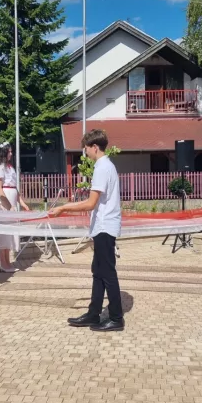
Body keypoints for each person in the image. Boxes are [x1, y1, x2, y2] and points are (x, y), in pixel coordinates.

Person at [49, 129, 123, 332]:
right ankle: (94, 313)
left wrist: (64, 208)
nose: (85, 152)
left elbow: (91, 203)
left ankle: (116, 318)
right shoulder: (106, 166)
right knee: (98, 272)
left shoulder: (102, 167)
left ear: (95, 147)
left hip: (104, 226)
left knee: (107, 273)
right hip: (102, 226)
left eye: (86, 148)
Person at [0, 141, 30, 272]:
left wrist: (23, 203)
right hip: (5, 199)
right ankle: (3, 263)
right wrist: (7, 205)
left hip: (12, 198)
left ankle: (7, 261)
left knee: (10, 232)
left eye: (11, 151)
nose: (11, 153)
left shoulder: (10, 167)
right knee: (4, 232)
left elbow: (15, 188)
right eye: (8, 151)